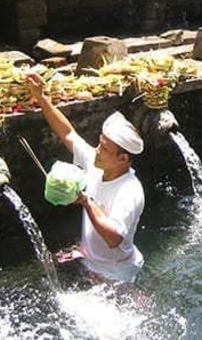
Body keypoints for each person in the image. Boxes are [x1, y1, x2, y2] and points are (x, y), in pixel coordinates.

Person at [25, 72, 145, 283]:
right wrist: (42, 98)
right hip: (90, 258)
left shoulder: (130, 191)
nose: (97, 150)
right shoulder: (96, 163)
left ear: (123, 158)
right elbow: (68, 133)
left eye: (104, 148)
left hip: (116, 269)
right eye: (100, 143)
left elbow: (114, 238)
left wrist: (85, 201)